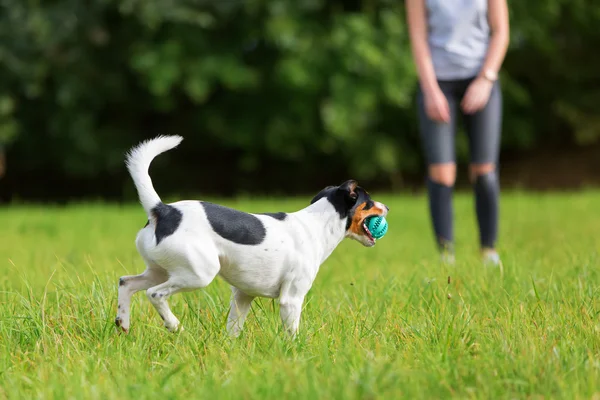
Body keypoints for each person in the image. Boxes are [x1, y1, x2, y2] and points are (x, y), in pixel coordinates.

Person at [405, 0, 510, 265]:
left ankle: (488, 250)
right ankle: (446, 254)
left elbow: (500, 31)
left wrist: (486, 79)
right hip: (437, 83)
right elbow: (419, 38)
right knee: (442, 172)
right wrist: (430, 90)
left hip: (481, 78)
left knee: (484, 170)